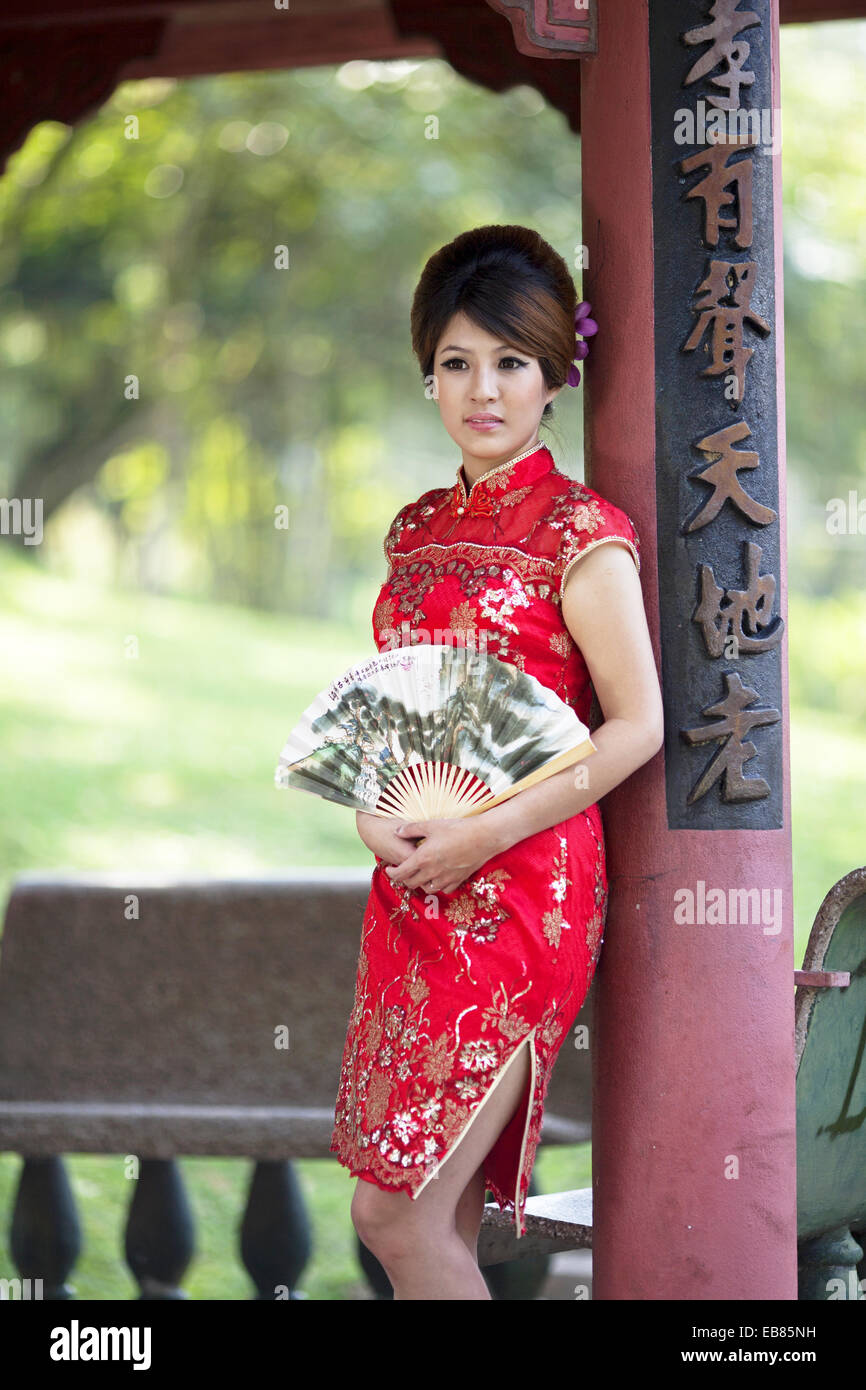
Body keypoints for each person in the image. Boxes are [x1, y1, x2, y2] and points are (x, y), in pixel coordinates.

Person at [329, 224, 664, 1299]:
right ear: (427, 372)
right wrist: (372, 810)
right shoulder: (415, 530)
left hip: (522, 883)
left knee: (392, 1213)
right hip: (415, 879)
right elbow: (397, 712)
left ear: (552, 373)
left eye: (509, 362)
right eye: (456, 363)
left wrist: (481, 830)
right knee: (429, 1201)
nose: (483, 390)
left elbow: (635, 724)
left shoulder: (580, 532)